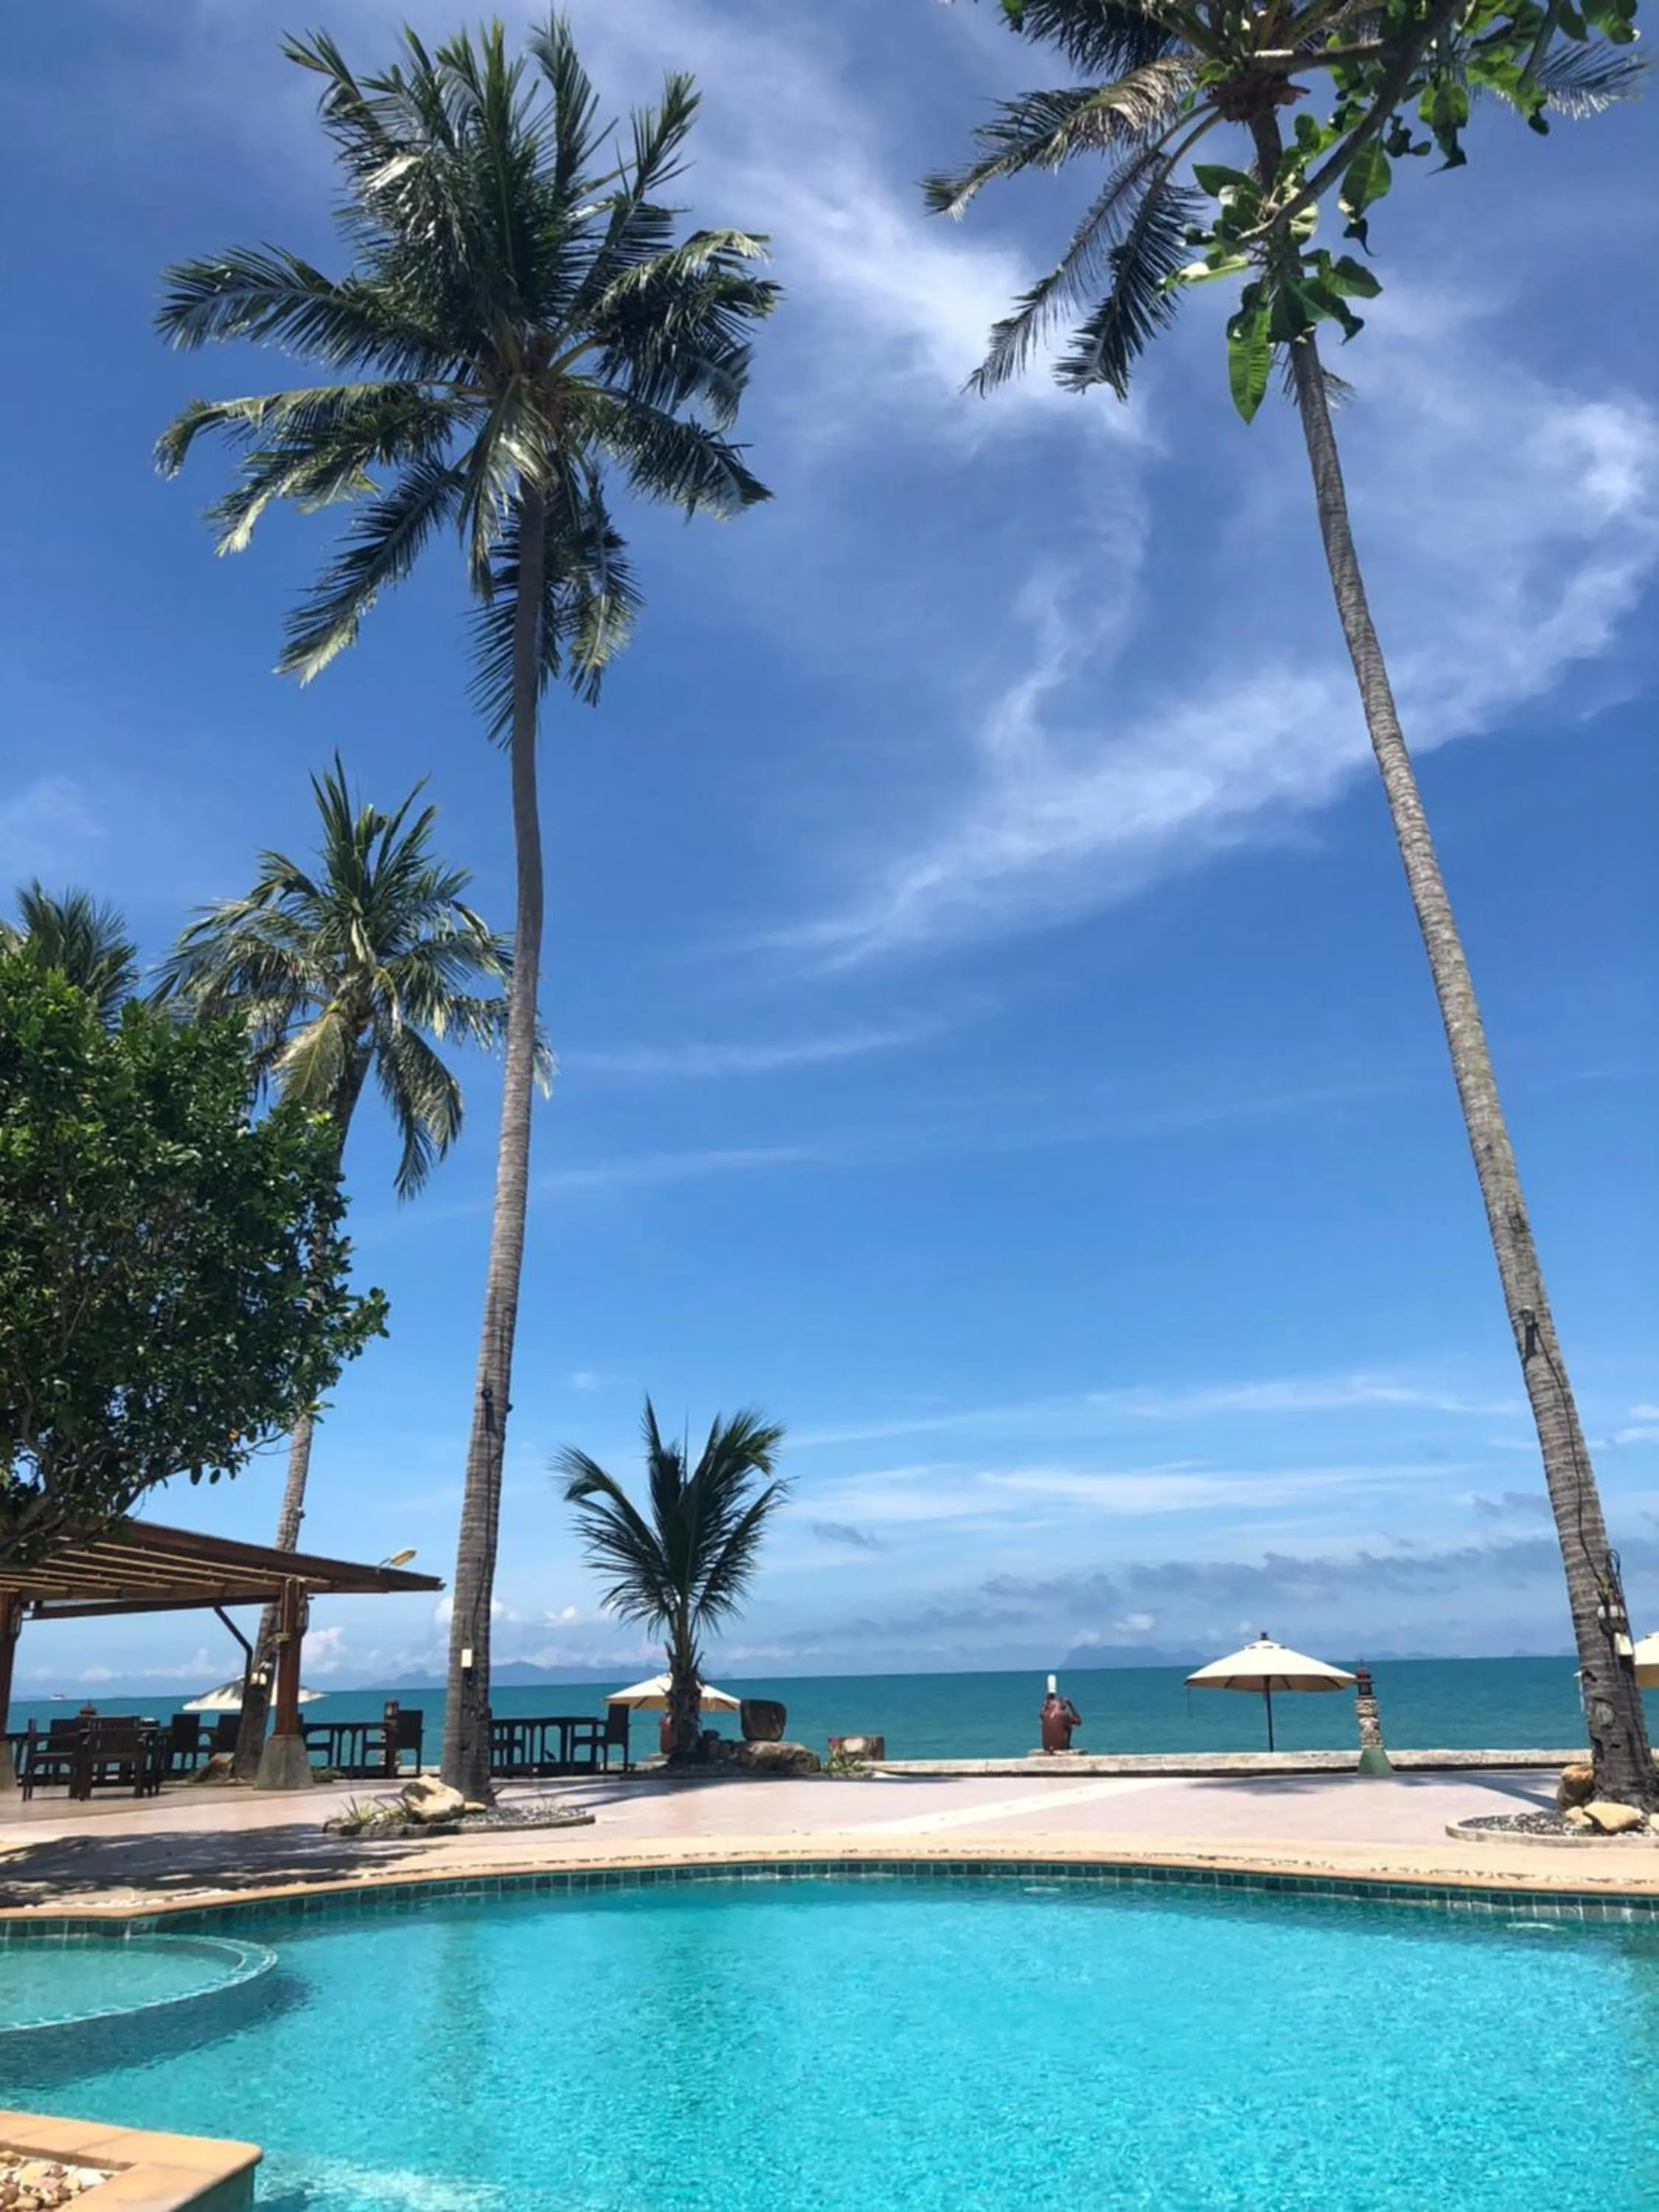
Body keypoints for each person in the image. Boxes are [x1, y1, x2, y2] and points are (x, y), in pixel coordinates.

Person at [1039, 1686, 1082, 1753]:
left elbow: (1041, 1712)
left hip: (1046, 1747)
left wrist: (1046, 1702)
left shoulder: (1044, 1714)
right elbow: (1079, 1722)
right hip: (1060, 1746)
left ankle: (1051, 1744)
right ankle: (1066, 1745)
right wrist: (1070, 1705)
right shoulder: (1063, 1715)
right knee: (1069, 1726)